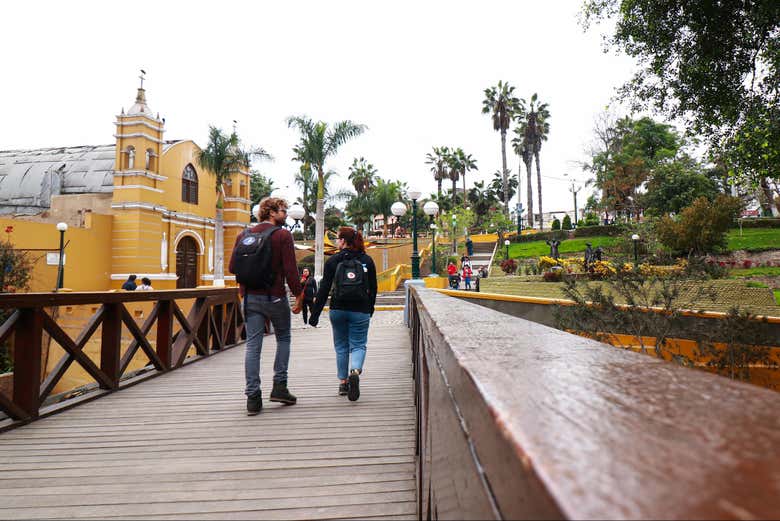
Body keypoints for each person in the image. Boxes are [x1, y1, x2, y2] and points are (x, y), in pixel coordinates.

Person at [228, 197, 303, 416]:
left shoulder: (244, 235)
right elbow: (290, 271)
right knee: (284, 338)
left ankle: (253, 397)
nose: (286, 214)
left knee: (253, 346)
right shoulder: (282, 235)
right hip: (275, 298)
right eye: (283, 210)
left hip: (250, 298)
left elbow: (233, 267)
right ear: (271, 213)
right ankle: (279, 386)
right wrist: (299, 295)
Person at [308, 227, 377, 402]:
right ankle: (355, 370)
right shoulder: (367, 260)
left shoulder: (333, 261)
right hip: (360, 309)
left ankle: (343, 382)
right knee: (359, 345)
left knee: (341, 346)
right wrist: (370, 308)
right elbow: (373, 289)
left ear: (344, 241)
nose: (337, 242)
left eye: (338, 239)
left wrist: (315, 314)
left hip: (338, 309)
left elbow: (324, 289)